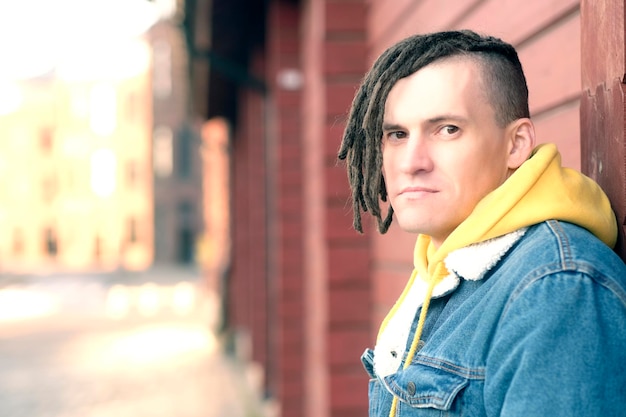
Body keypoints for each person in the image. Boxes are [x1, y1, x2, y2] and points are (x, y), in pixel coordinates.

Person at [337, 30, 626, 417]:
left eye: (447, 129)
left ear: (516, 144)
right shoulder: (441, 268)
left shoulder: (558, 289)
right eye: (397, 134)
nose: (411, 162)